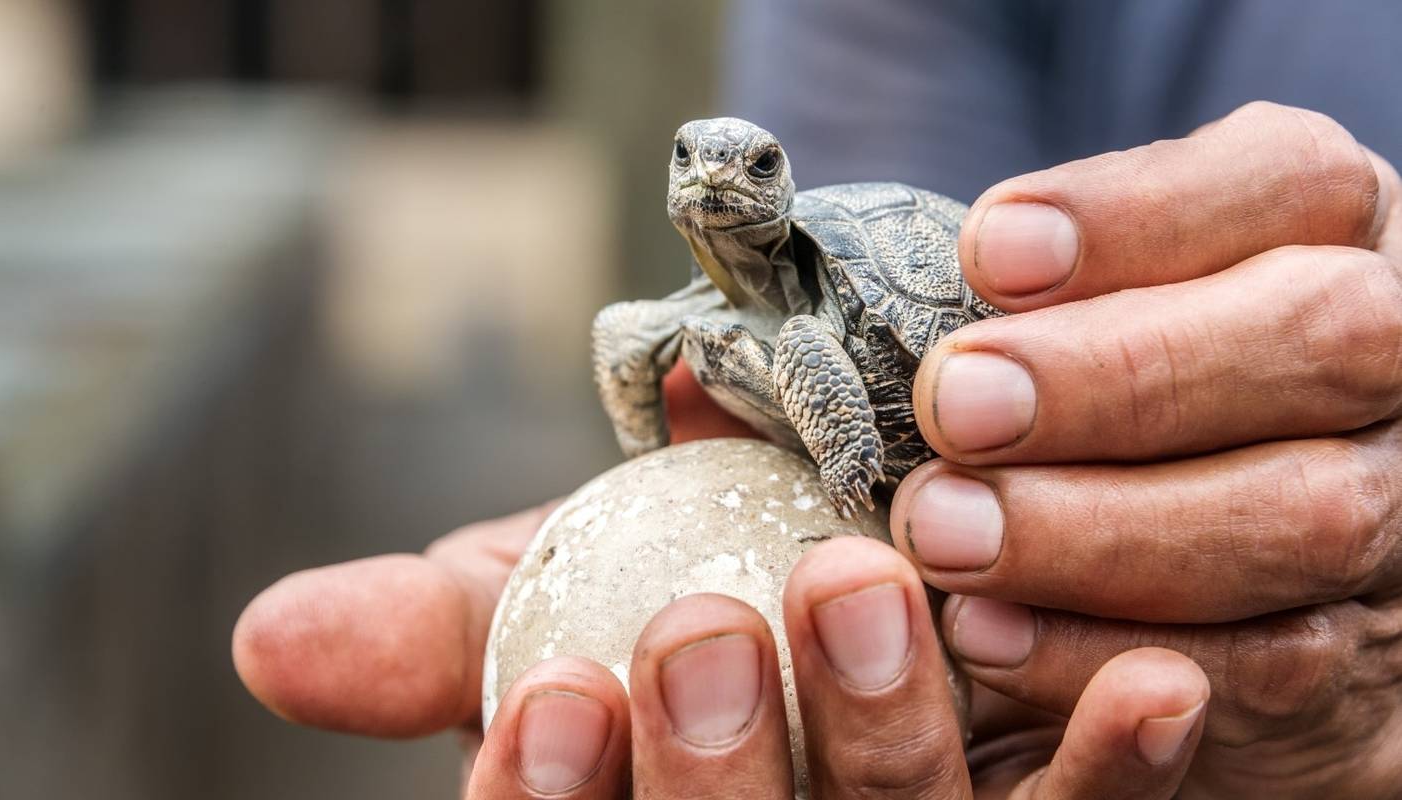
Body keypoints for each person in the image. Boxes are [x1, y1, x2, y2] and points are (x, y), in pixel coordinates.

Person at [233, 2, 1402, 796]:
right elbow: (644, 349)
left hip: (1042, 481)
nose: (718, 183)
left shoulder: (812, 320)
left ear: (780, 189)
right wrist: (647, 479)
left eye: (753, 168)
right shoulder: (695, 319)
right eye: (698, 161)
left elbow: (825, 359)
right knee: (634, 328)